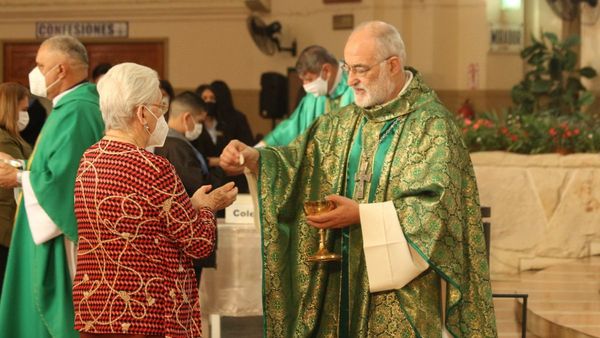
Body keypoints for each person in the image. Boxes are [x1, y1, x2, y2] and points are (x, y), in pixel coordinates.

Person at [220, 21, 497, 337]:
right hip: (337, 281)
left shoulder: (432, 127)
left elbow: (438, 211)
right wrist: (258, 160)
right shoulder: (341, 122)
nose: (350, 80)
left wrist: (362, 215)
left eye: (361, 69)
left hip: (401, 292)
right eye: (347, 68)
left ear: (393, 65)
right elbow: (298, 162)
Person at [72, 62, 237, 338]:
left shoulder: (90, 159)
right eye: (159, 109)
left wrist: (190, 206)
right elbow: (198, 242)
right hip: (147, 314)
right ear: (142, 113)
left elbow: (140, 221)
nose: (161, 116)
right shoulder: (152, 167)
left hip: (97, 310)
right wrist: (208, 207)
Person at [0, 35, 105, 338]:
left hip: (58, 239)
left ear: (60, 70)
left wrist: (18, 178)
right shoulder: (67, 107)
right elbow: (51, 169)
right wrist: (20, 169)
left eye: (40, 65)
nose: (34, 72)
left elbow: (67, 180)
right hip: (43, 223)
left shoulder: (78, 110)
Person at [259, 45, 354, 147]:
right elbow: (294, 126)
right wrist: (261, 147)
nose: (305, 86)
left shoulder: (355, 86)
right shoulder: (313, 97)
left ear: (326, 71)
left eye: (309, 79)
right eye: (303, 81)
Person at [0, 83, 32, 297]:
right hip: (5, 221)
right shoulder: (4, 139)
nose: (26, 115)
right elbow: (8, 174)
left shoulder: (12, 135)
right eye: (23, 110)